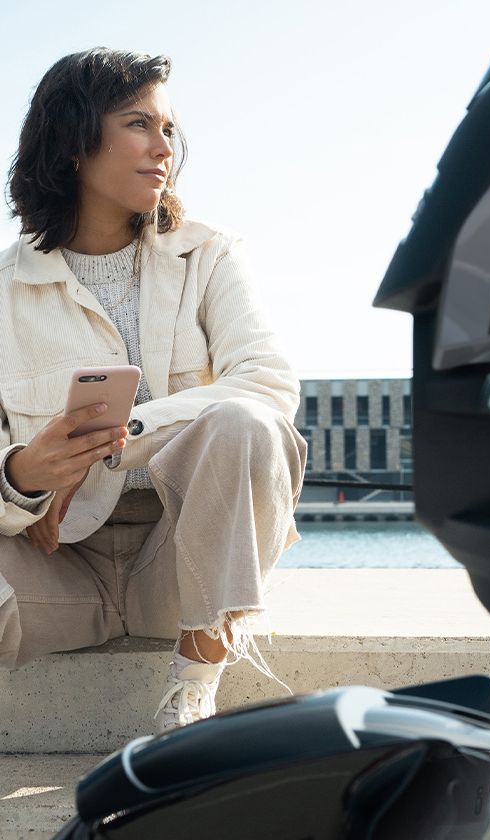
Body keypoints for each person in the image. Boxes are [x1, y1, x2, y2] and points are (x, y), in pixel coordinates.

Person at [0, 48, 307, 731]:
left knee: (246, 424)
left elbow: (265, 384)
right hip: (51, 567)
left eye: (168, 129)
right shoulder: (3, 291)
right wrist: (24, 473)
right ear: (75, 142)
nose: (163, 147)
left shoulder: (212, 254)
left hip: (184, 560)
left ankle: (193, 691)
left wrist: (116, 444)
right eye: (139, 124)